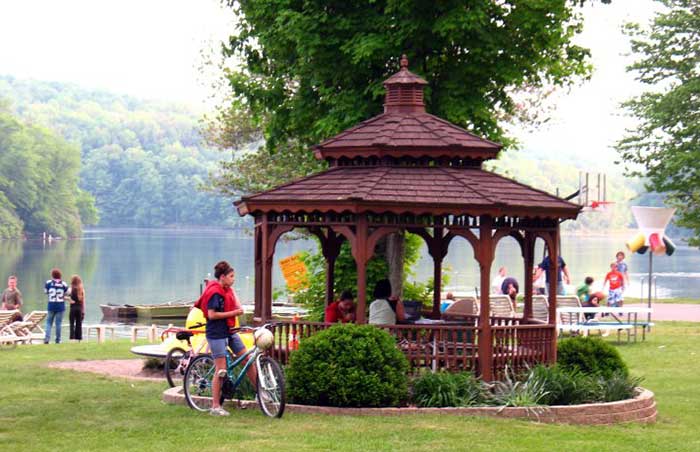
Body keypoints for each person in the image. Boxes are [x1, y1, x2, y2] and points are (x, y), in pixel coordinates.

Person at [197, 261, 255, 417]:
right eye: (231, 276)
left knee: (247, 359)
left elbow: (236, 305)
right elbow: (212, 315)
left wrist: (234, 296)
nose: (234, 279)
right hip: (216, 333)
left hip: (229, 330)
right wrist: (234, 313)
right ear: (222, 277)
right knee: (221, 370)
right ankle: (215, 407)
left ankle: (261, 395)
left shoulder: (227, 290)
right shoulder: (215, 292)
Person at [44, 268, 69, 344]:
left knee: (48, 323)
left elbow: (45, 292)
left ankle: (47, 339)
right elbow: (67, 293)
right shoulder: (64, 284)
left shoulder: (48, 283)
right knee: (58, 323)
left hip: (51, 305)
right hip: (60, 306)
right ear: (60, 275)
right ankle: (58, 340)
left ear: (52, 275)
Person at [68, 275, 85, 341]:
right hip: (79, 309)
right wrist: (83, 311)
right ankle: (79, 338)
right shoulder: (82, 290)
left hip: (73, 308)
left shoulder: (70, 289)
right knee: (79, 324)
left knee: (72, 324)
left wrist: (69, 300)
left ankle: (72, 338)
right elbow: (83, 302)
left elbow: (64, 296)